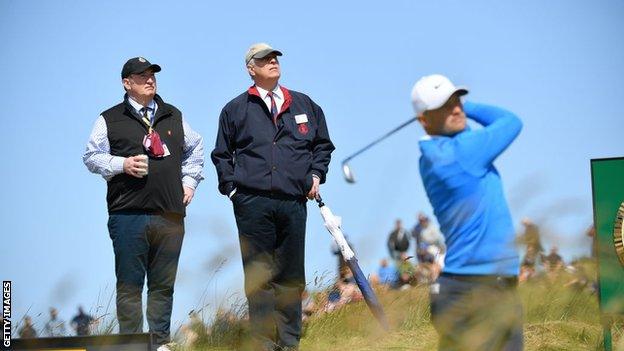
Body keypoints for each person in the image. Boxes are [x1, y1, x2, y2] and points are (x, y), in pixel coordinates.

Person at [211, 43, 335, 351]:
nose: (272, 62)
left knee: (291, 275)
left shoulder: (305, 104)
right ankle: (265, 343)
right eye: (264, 59)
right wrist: (233, 190)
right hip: (252, 203)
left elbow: (322, 145)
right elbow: (222, 154)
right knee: (259, 276)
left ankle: (290, 342)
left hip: (294, 201)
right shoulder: (235, 109)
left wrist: (316, 175)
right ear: (250, 68)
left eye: (275, 57)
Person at [83, 57, 204, 350]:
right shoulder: (109, 118)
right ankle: (133, 344)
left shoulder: (173, 114)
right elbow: (91, 156)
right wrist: (122, 164)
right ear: (127, 83)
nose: (150, 80)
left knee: (163, 285)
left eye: (152, 75)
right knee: (130, 286)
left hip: (170, 214)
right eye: (141, 76)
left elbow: (196, 148)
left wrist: (189, 183)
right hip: (128, 214)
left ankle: (160, 343)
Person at [412, 74, 523, 350]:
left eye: (458, 101)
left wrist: (453, 112)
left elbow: (463, 132)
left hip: (470, 288)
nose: (457, 109)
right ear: (424, 120)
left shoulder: (436, 153)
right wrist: (469, 108)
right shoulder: (462, 153)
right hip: (477, 289)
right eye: (445, 106)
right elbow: (511, 122)